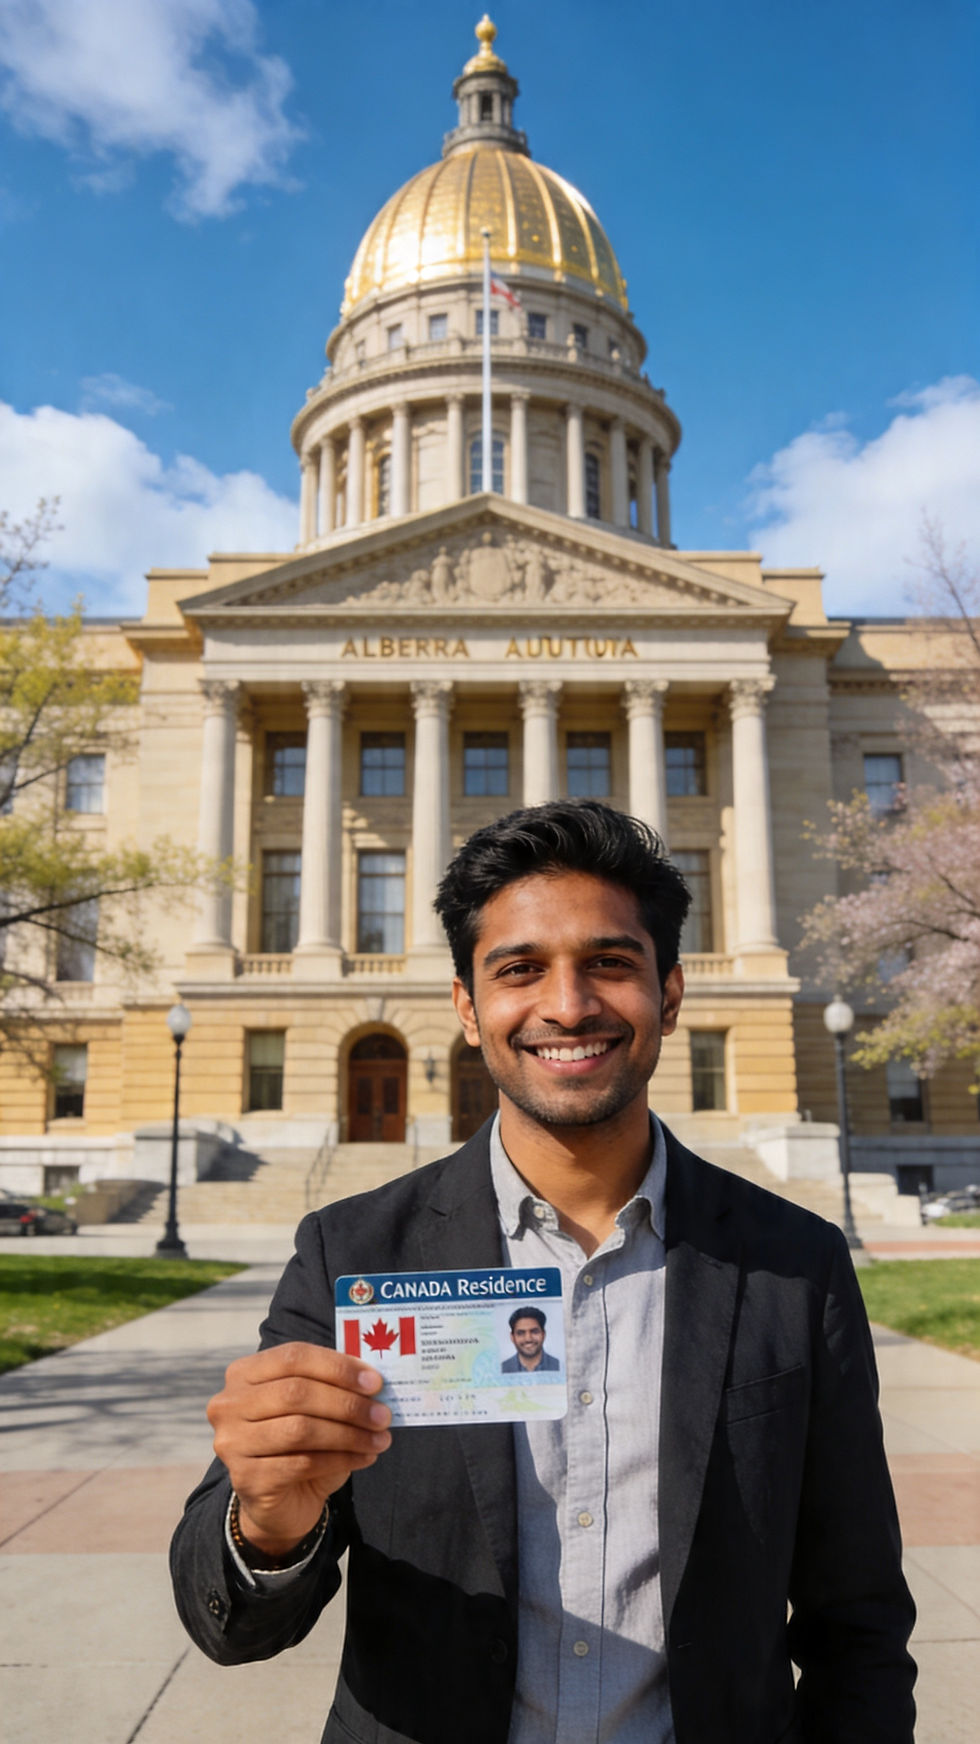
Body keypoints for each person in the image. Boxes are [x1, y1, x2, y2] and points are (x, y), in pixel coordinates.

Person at [171, 800, 916, 1744]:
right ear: (467, 1007)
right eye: (520, 969)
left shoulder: (793, 1264)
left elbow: (858, 1619)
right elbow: (229, 1625)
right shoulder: (353, 1255)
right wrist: (268, 1521)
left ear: (671, 993)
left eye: (609, 963)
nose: (568, 1006)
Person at [501, 1306, 561, 1373]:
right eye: (521, 1333)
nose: (528, 1339)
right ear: (512, 1337)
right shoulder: (503, 1369)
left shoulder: (559, 1366)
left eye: (534, 1332)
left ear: (543, 1334)